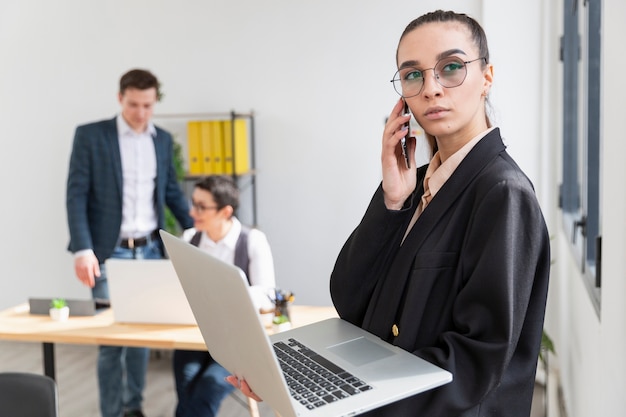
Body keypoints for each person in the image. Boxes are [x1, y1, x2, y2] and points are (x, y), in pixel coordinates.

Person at [228, 9, 550, 417]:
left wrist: (345, 395)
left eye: (451, 68)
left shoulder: (502, 193)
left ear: (486, 77)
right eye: (413, 75)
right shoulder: (413, 186)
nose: (431, 88)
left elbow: (474, 362)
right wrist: (392, 203)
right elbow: (349, 300)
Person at [66, 68, 193, 417]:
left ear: (155, 102)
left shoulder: (162, 140)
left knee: (141, 338)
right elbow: (76, 194)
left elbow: (170, 192)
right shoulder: (92, 136)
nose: (141, 113)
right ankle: (110, 412)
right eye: (134, 104)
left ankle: (133, 407)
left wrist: (196, 230)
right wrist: (82, 248)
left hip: (150, 250)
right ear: (120, 98)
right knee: (111, 340)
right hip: (108, 252)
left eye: (148, 105)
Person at [173, 175, 276, 417]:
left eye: (201, 206)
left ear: (225, 211)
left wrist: (225, 295)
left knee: (205, 391)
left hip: (236, 342)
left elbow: (267, 294)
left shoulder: (252, 241)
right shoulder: (189, 239)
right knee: (186, 385)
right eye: (193, 203)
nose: (192, 211)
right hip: (195, 336)